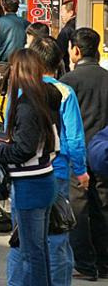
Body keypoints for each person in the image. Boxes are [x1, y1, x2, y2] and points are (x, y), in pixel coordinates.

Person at [0, 49, 60, 286]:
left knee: (31, 252)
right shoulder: (46, 96)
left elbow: (23, 149)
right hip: (44, 177)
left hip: (30, 183)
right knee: (39, 249)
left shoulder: (27, 104)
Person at [25, 36, 90, 286]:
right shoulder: (65, 91)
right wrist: (82, 170)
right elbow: (74, 138)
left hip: (26, 172)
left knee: (26, 238)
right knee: (56, 235)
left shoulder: (22, 89)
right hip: (57, 171)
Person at [60, 28, 108, 281]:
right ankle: (104, 261)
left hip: (78, 154)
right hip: (104, 153)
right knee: (103, 207)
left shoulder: (69, 81)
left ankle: (85, 264)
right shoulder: (106, 78)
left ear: (75, 50)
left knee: (78, 208)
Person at [0, 0, 28, 94]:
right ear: (17, 8)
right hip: (20, 63)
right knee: (17, 93)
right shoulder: (25, 23)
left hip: (1, 62)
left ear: (4, 7)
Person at [56, 1, 77, 73]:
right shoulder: (77, 25)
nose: (61, 14)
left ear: (70, 13)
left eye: (62, 11)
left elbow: (59, 52)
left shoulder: (67, 30)